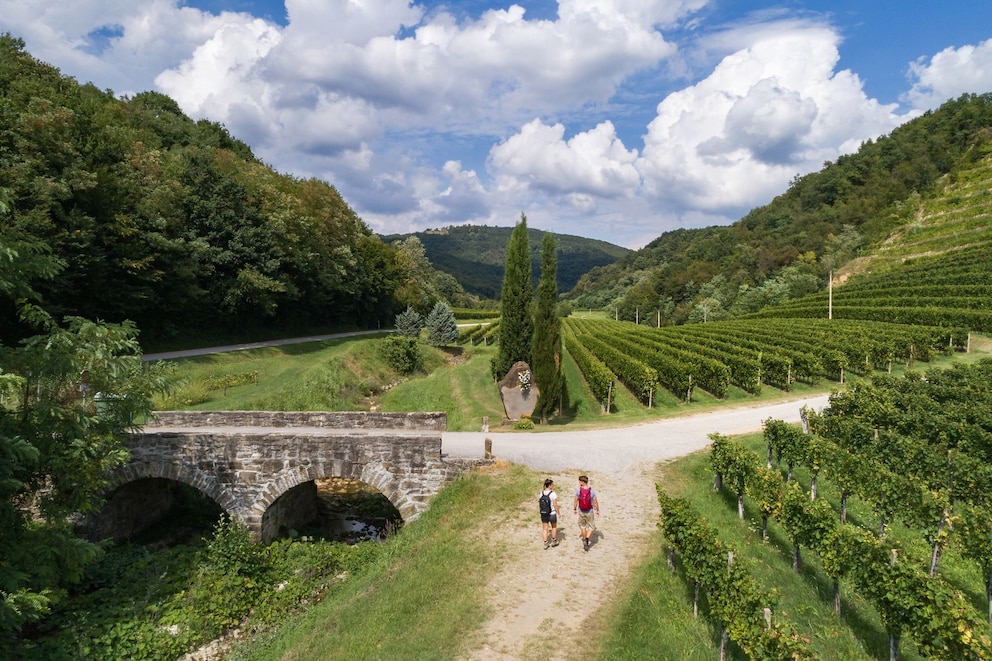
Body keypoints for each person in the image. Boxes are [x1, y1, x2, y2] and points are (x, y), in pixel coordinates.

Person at [573, 474, 600, 551]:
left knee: (583, 526)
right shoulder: (592, 491)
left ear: (582, 482)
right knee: (591, 527)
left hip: (581, 510)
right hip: (590, 511)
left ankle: (584, 539)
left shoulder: (578, 490)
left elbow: (576, 500)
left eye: (579, 481)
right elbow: (595, 502)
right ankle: (587, 539)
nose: (579, 483)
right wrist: (597, 510)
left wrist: (574, 509)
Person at [539, 478, 561, 549]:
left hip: (543, 513)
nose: (553, 485)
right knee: (554, 527)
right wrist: (558, 513)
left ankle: (545, 543)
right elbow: (555, 505)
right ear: (550, 485)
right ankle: (554, 541)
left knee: (545, 528)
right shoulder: (553, 494)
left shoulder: (541, 493)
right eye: (552, 484)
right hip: (552, 513)